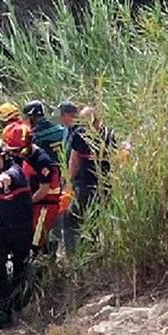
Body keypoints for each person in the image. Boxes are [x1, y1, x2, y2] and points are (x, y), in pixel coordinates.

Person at [0, 137, 33, 328]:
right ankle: (2, 311)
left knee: (20, 268)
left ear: (5, 156)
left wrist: (7, 178)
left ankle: (19, 307)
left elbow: (12, 177)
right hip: (1, 228)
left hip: (19, 229)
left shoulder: (14, 171)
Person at [65, 106, 119, 255]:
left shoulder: (102, 135)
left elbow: (74, 161)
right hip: (94, 184)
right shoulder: (87, 135)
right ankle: (85, 251)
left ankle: (84, 252)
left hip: (95, 184)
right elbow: (74, 159)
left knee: (84, 217)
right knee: (87, 218)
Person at [2, 122, 62, 252]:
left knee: (36, 241)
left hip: (46, 204)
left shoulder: (42, 160)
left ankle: (41, 264)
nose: (16, 154)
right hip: (35, 202)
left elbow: (44, 189)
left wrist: (25, 203)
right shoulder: (26, 156)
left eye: (17, 151)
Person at [22, 100, 66, 166]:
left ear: (32, 116)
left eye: (27, 117)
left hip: (49, 170)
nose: (25, 119)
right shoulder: (59, 126)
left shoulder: (34, 136)